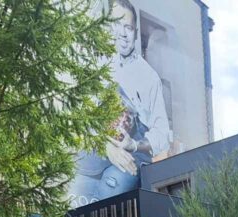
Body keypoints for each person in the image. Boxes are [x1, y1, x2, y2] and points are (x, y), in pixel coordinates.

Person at [70, 0, 171, 203]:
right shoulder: (89, 64)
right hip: (93, 150)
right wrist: (106, 147)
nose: (123, 33)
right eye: (117, 24)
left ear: (134, 33)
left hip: (130, 157)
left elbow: (162, 135)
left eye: (129, 27)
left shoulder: (149, 78)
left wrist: (133, 144)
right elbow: (76, 117)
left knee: (109, 193)